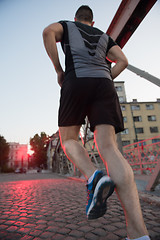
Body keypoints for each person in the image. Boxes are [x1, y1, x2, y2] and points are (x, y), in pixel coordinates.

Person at [43, 5, 150, 240]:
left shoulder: (67, 26)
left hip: (76, 80)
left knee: (69, 138)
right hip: (104, 84)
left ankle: (94, 176)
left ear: (76, 19)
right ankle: (139, 234)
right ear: (92, 22)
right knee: (110, 148)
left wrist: (59, 70)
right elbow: (122, 60)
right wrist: (105, 76)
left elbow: (47, 32)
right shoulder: (104, 36)